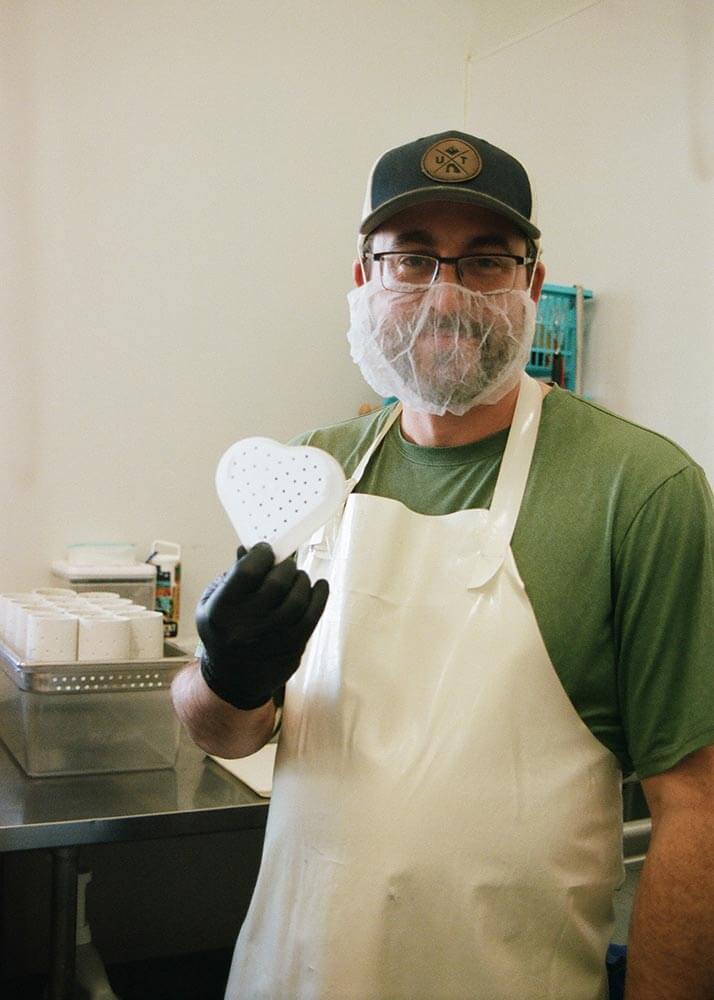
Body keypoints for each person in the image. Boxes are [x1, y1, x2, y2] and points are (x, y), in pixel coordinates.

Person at [172, 131, 714, 1000]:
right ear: (364, 280)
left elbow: (696, 806)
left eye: (485, 262)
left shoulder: (640, 489)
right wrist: (225, 676)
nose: (446, 295)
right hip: (291, 973)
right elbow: (228, 735)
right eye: (412, 260)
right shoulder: (312, 471)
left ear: (531, 285)